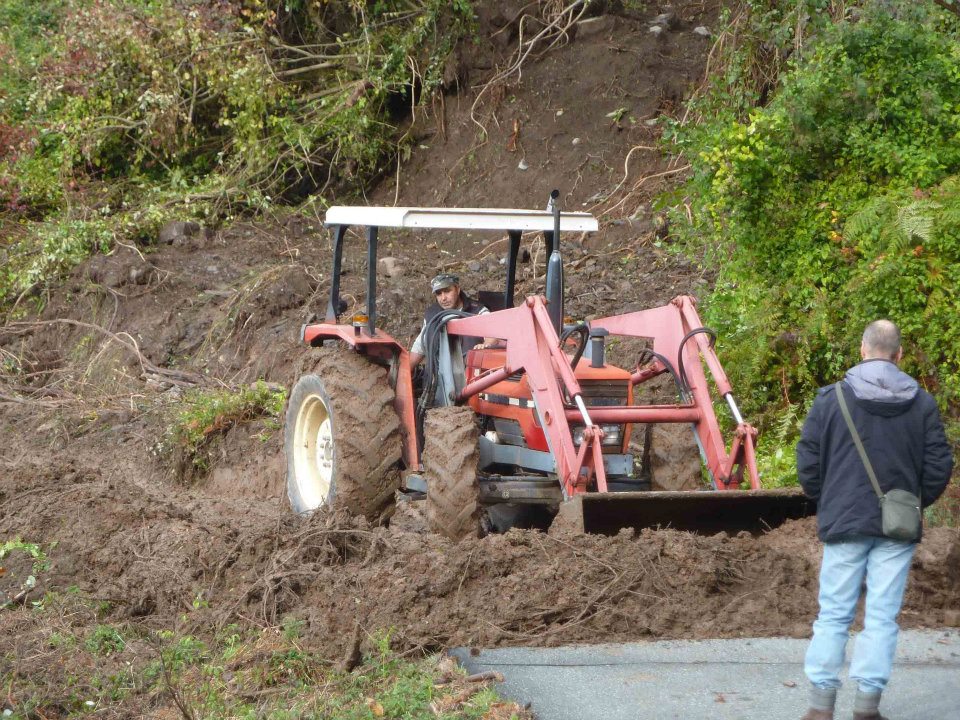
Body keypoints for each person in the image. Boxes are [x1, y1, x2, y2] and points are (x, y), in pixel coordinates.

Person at [796, 320, 953, 720]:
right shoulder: (922, 403)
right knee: (882, 615)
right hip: (896, 526)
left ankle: (820, 707)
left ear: (863, 350)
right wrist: (911, 503)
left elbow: (808, 463)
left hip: (844, 519)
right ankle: (867, 706)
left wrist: (827, 499)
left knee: (833, 612)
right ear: (898, 355)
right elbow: (939, 465)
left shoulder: (830, 400)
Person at [409, 272, 492, 367]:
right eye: (439, 293)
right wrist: (405, 372)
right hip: (441, 376)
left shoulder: (477, 310)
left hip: (471, 374)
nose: (443, 298)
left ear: (457, 289)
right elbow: (420, 345)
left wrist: (486, 345)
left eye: (447, 291)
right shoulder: (432, 315)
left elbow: (492, 334)